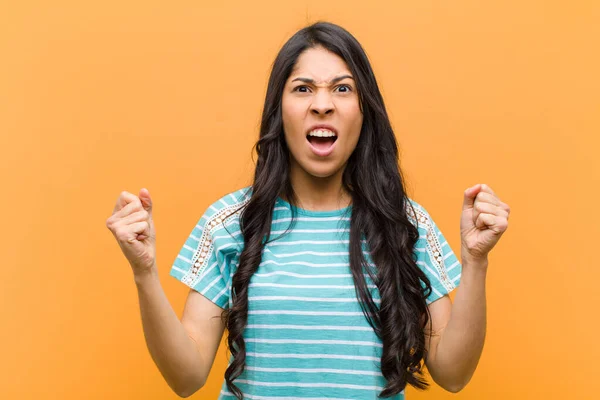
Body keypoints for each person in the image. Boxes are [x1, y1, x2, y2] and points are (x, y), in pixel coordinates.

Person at [106, 21, 510, 400]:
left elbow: (453, 374)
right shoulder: (230, 222)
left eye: (342, 89)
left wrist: (476, 261)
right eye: (302, 89)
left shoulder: (405, 223)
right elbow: (187, 376)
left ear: (364, 110)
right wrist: (143, 273)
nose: (322, 105)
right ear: (279, 111)